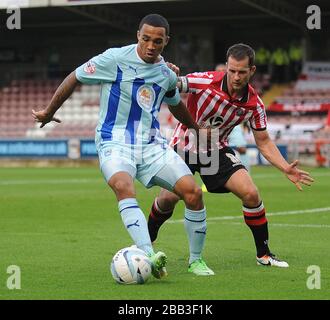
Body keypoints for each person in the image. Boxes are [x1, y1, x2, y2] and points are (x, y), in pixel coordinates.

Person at [32, 14, 214, 277]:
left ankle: (196, 260)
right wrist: (49, 111)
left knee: (193, 193)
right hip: (114, 141)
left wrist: (196, 129)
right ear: (138, 35)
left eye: (158, 42)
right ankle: (149, 256)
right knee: (122, 186)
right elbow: (75, 76)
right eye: (146, 39)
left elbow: (175, 104)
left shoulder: (166, 74)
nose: (151, 45)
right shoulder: (114, 58)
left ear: (166, 42)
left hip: (152, 145)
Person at [148, 43, 314, 268]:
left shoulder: (254, 104)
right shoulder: (205, 81)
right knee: (167, 199)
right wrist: (168, 73)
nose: (236, 76)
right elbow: (173, 84)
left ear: (252, 71)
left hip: (216, 151)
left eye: (242, 72)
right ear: (226, 67)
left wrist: (285, 167)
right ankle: (147, 242)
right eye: (232, 70)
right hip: (184, 146)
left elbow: (263, 141)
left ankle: (263, 255)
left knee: (251, 194)